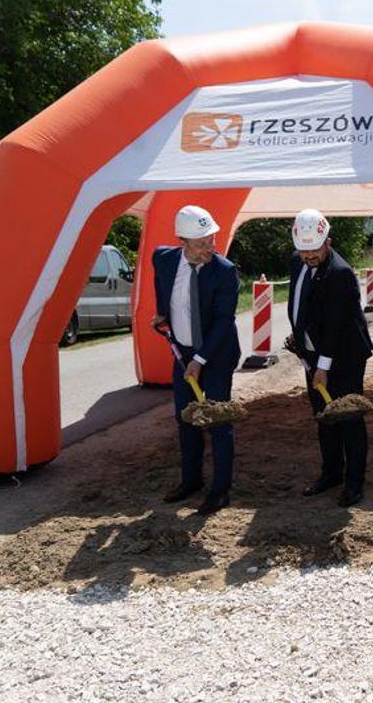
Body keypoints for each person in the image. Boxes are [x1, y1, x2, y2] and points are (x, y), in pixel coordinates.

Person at [151, 205, 241, 516]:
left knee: (217, 420)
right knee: (185, 418)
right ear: (183, 242)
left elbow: (222, 321)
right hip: (183, 353)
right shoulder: (163, 259)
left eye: (211, 240)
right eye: (201, 243)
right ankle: (191, 480)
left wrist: (200, 360)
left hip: (215, 354)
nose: (209, 248)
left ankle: (220, 490)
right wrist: (163, 311)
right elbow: (160, 281)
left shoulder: (225, 271)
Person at [288, 209, 373, 507]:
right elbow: (300, 306)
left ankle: (354, 484)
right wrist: (301, 344)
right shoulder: (297, 263)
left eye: (314, 249)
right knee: (324, 418)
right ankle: (331, 473)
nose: (308, 255)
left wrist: (323, 367)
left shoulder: (341, 273)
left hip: (344, 358)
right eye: (303, 249)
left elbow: (337, 326)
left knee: (349, 419)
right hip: (314, 356)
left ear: (328, 242)